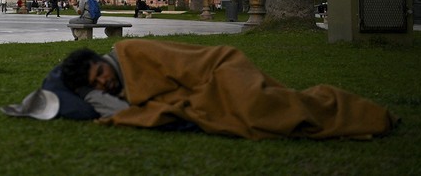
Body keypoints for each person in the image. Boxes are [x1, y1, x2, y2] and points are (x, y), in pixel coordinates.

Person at [52, 39, 398, 140]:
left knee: (258, 105)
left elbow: (186, 66)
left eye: (98, 72)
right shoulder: (116, 87)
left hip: (221, 68)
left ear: (101, 59)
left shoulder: (132, 52)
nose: (103, 82)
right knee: (251, 114)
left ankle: (352, 111)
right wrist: (88, 94)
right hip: (204, 90)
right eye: (95, 84)